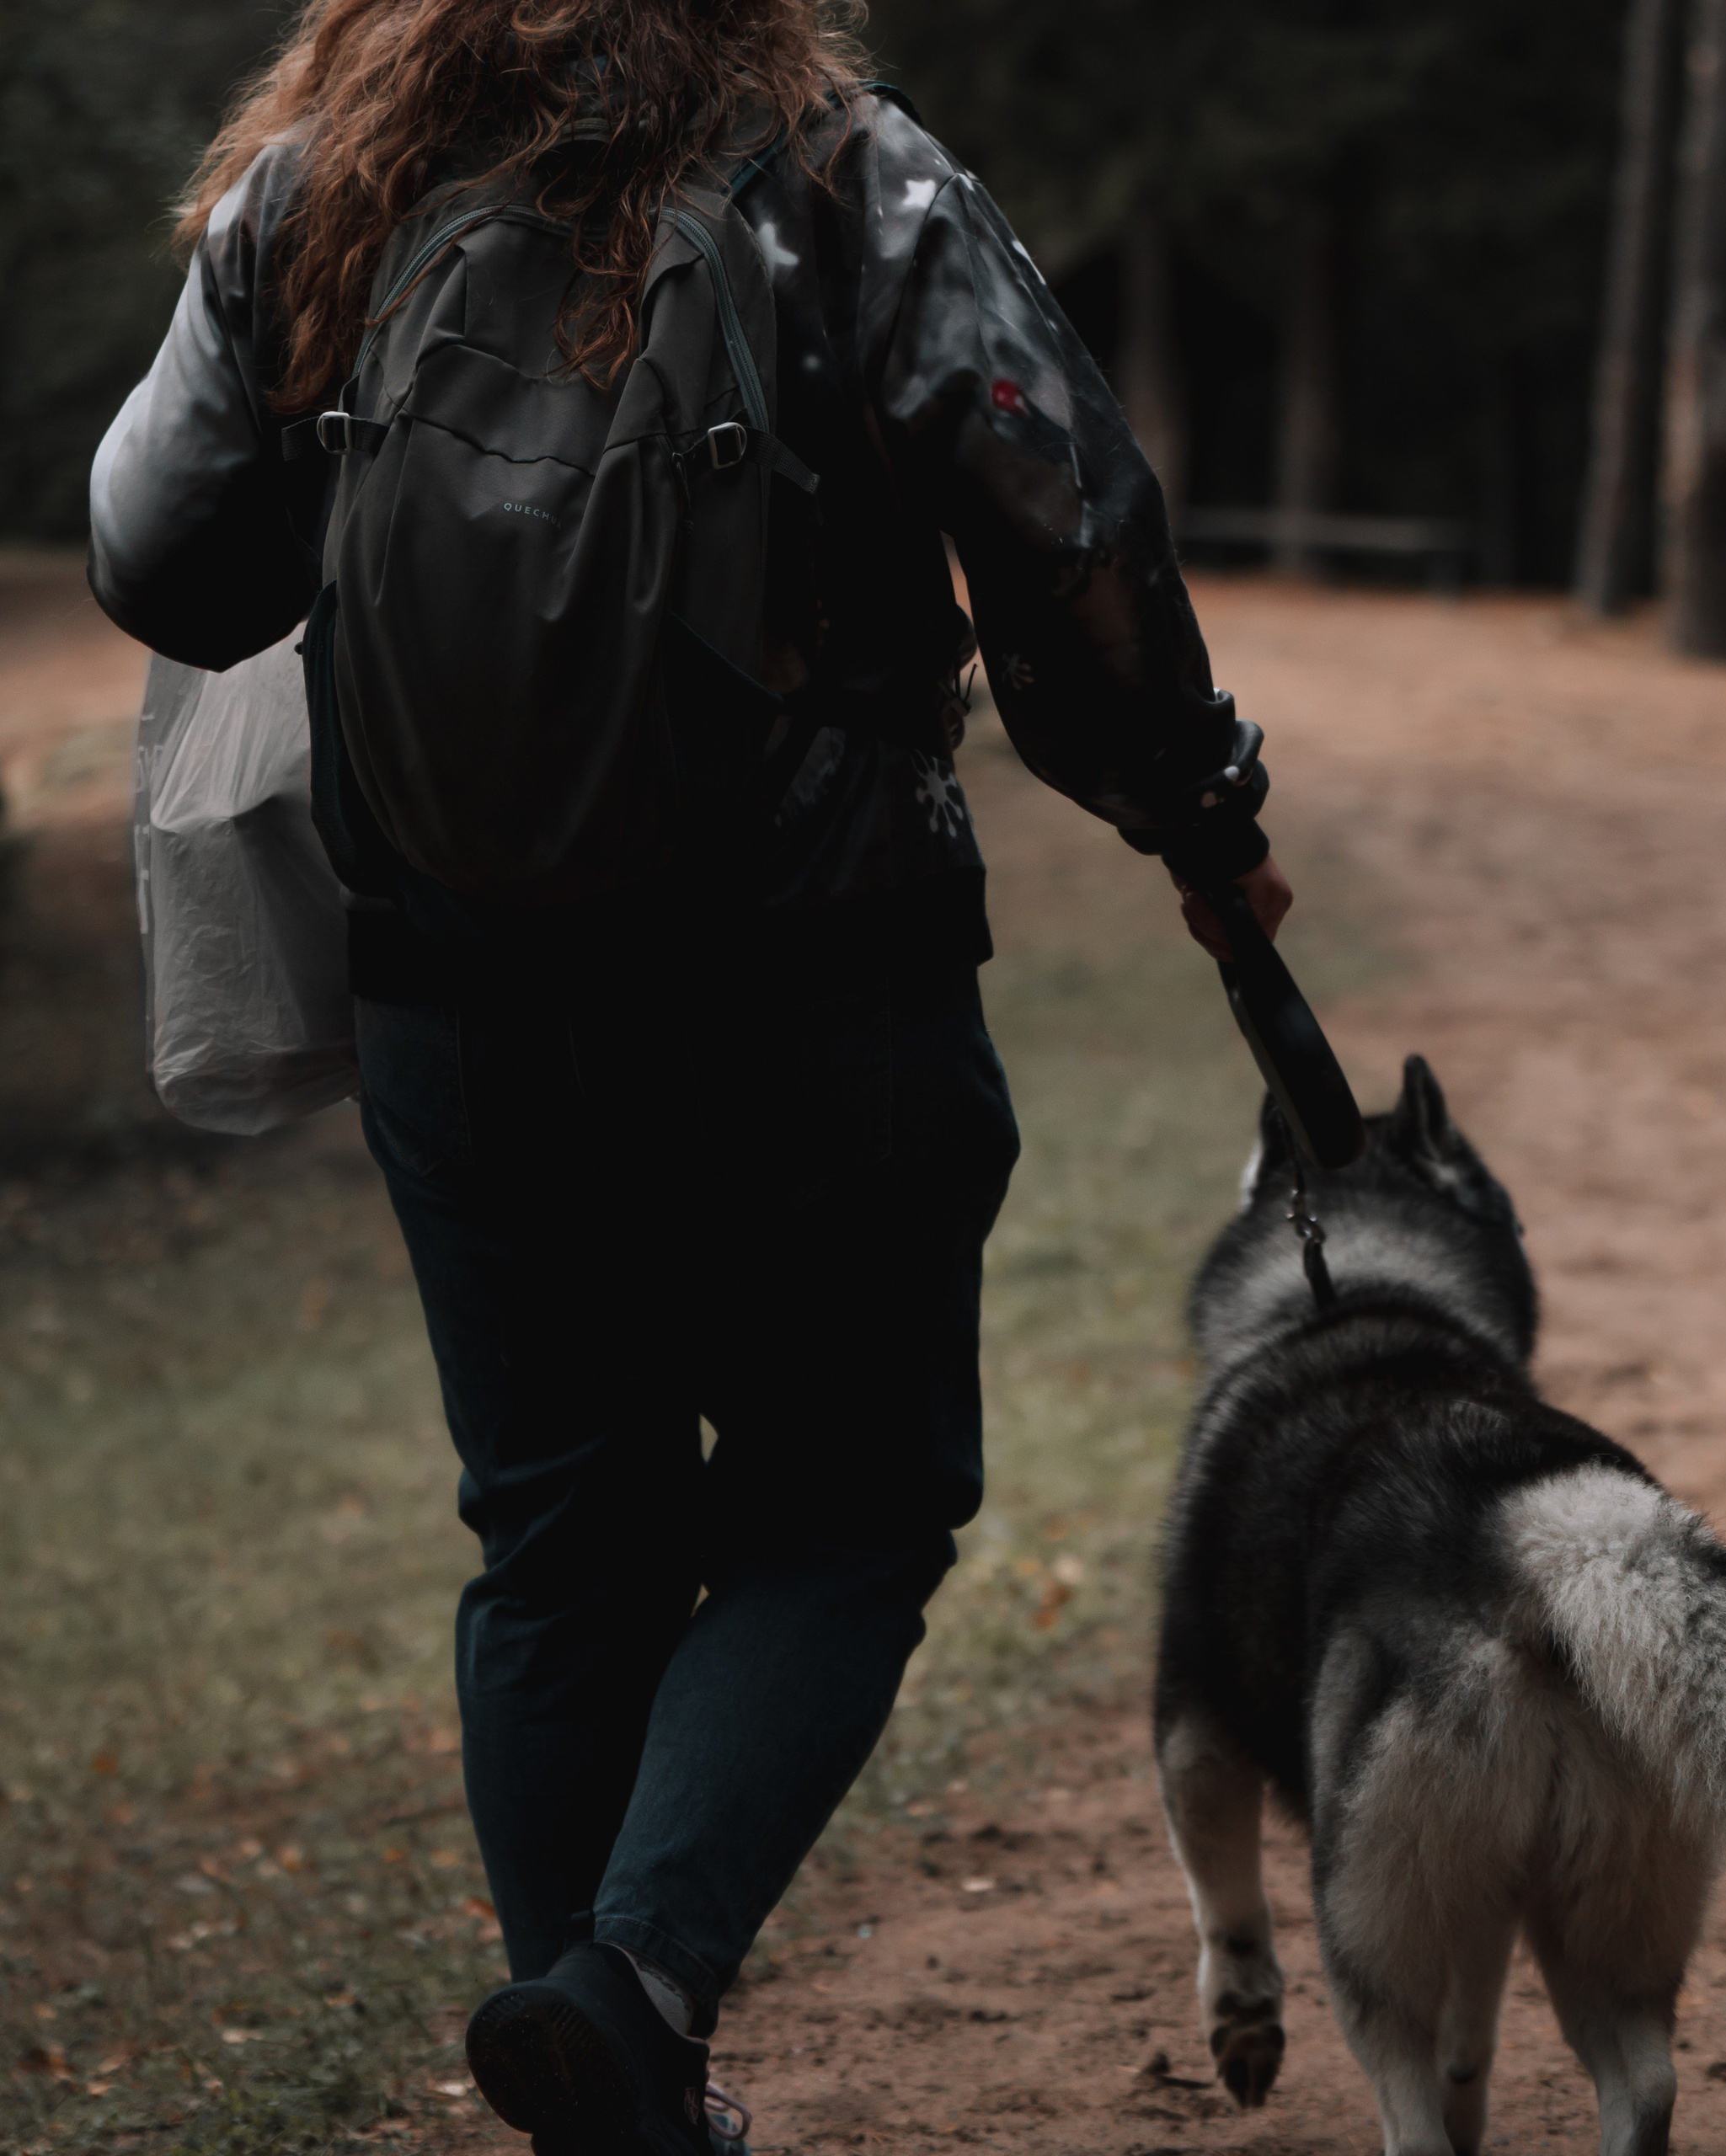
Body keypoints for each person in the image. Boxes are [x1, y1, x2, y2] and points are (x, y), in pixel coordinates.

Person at [88, 3, 1291, 2150]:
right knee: (851, 1502)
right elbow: (1066, 527)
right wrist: (1192, 816)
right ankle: (633, 1988)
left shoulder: (319, 187)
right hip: (816, 976)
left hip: (456, 990)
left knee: (562, 1541)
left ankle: (607, 2074)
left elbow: (157, 552)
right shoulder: (847, 174)